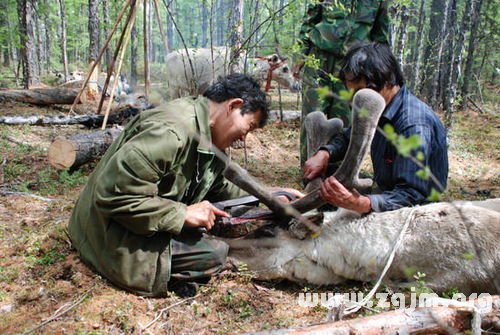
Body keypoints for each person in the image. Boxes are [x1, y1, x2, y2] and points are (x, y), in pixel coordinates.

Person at [68, 74, 301, 297]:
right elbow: (112, 195)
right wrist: (182, 214)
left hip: (123, 221)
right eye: (248, 127)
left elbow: (217, 185)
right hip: (103, 235)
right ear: (233, 106)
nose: (243, 138)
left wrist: (269, 196)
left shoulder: (205, 131)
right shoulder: (170, 133)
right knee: (215, 253)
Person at [303, 42, 448, 213]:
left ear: (386, 81)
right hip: (387, 194)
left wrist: (360, 204)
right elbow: (349, 136)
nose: (354, 99)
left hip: (413, 212)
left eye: (361, 91)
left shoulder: (412, 124)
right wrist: (325, 153)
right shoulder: (379, 106)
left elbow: (412, 195)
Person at [295, 0, 390, 167]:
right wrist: (300, 56)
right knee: (312, 114)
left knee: (343, 118)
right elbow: (309, 21)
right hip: (318, 58)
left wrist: (382, 69)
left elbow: (380, 36)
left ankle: (334, 170)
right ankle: (308, 168)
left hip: (353, 65)